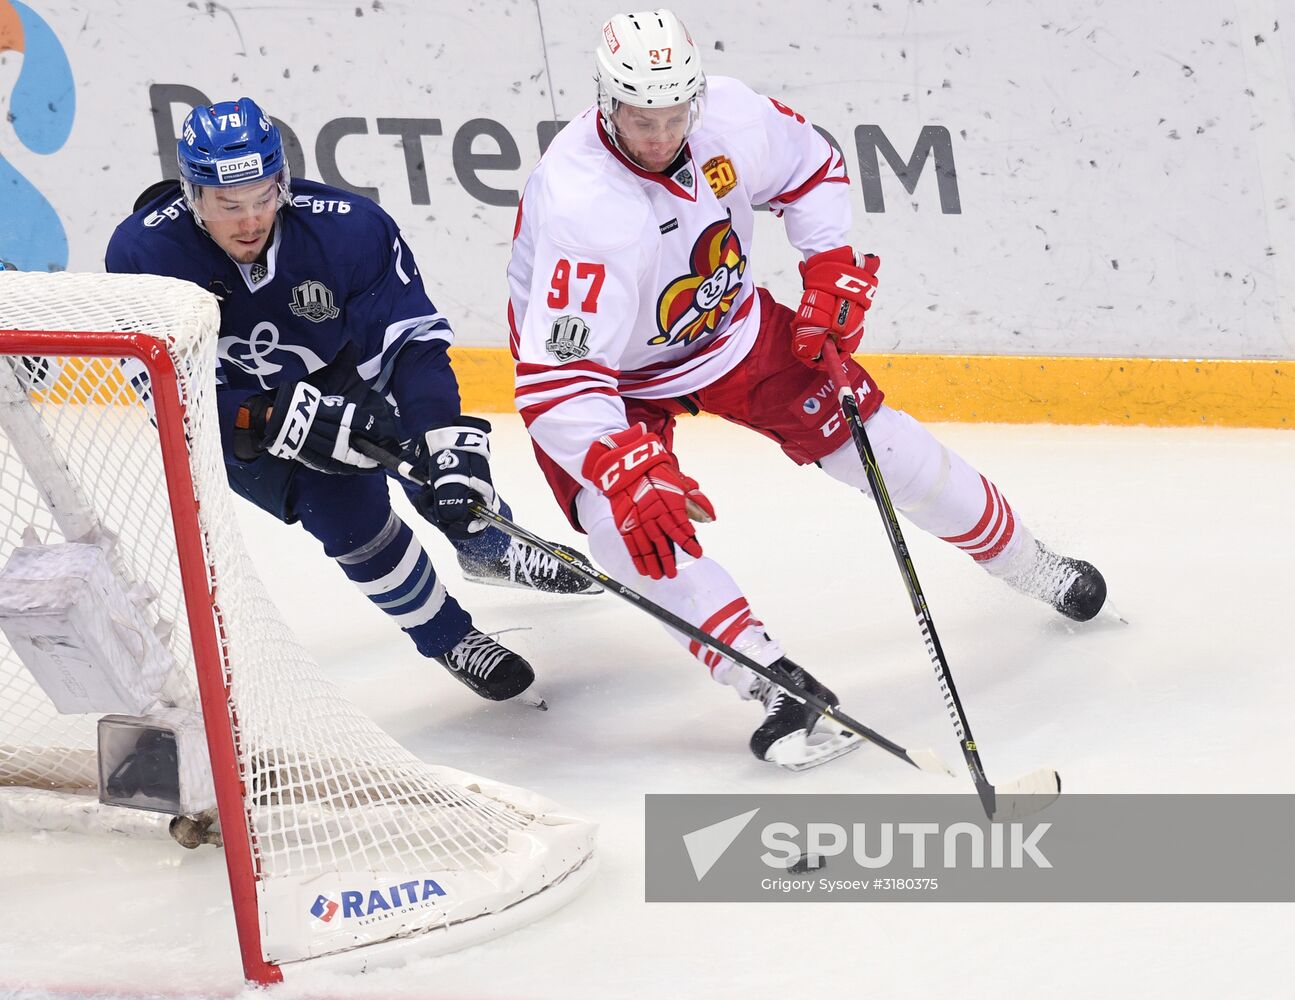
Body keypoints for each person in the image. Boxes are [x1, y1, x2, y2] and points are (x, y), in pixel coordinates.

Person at [506, 9, 1107, 768]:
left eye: (672, 116)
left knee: (886, 446)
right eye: (639, 117)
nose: (659, 136)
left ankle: (1032, 564)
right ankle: (770, 683)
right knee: (629, 532)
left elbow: (813, 167)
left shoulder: (729, 114)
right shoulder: (583, 206)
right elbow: (556, 381)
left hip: (730, 328)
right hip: (612, 383)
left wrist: (826, 263)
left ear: (694, 97)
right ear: (605, 101)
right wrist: (615, 464)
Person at [107, 97, 599, 706]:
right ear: (192, 196)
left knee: (430, 460)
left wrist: (445, 436)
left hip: (338, 370)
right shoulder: (142, 258)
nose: (251, 220)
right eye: (229, 206)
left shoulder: (348, 229)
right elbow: (160, 388)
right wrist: (258, 417)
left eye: (264, 196)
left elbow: (411, 344)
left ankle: (489, 544)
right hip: (236, 420)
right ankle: (449, 638)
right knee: (348, 516)